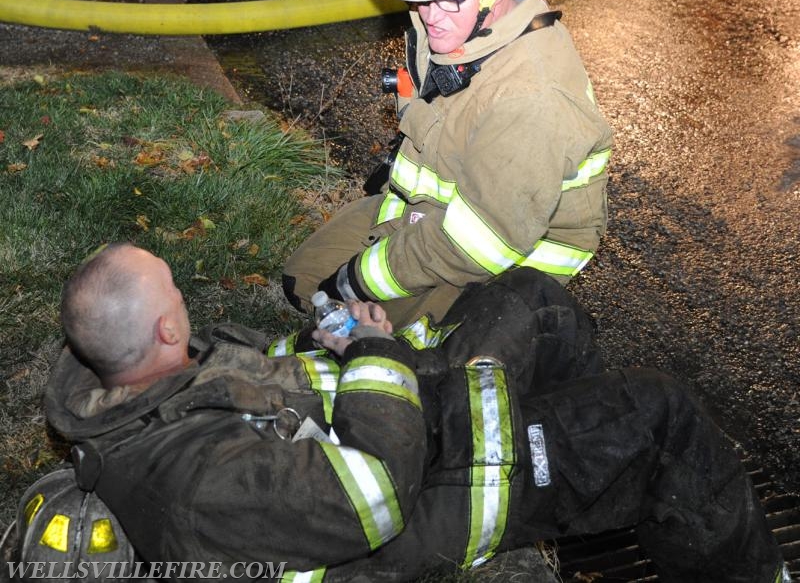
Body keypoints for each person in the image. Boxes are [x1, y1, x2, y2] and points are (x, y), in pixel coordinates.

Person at [40, 243, 788, 583]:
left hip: (400, 411)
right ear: (164, 330)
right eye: (175, 292)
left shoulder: (145, 379)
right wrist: (373, 354)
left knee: (532, 300)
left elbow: (267, 386)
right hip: (434, 489)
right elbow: (373, 498)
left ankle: (587, 508)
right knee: (661, 412)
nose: (184, 300)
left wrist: (327, 341)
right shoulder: (196, 483)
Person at [283, 0, 614, 328]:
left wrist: (355, 283)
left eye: (448, 0)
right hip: (437, 203)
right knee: (300, 282)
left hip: (504, 253)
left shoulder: (531, 95)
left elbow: (478, 243)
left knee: (360, 326)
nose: (430, 16)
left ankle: (471, 335)